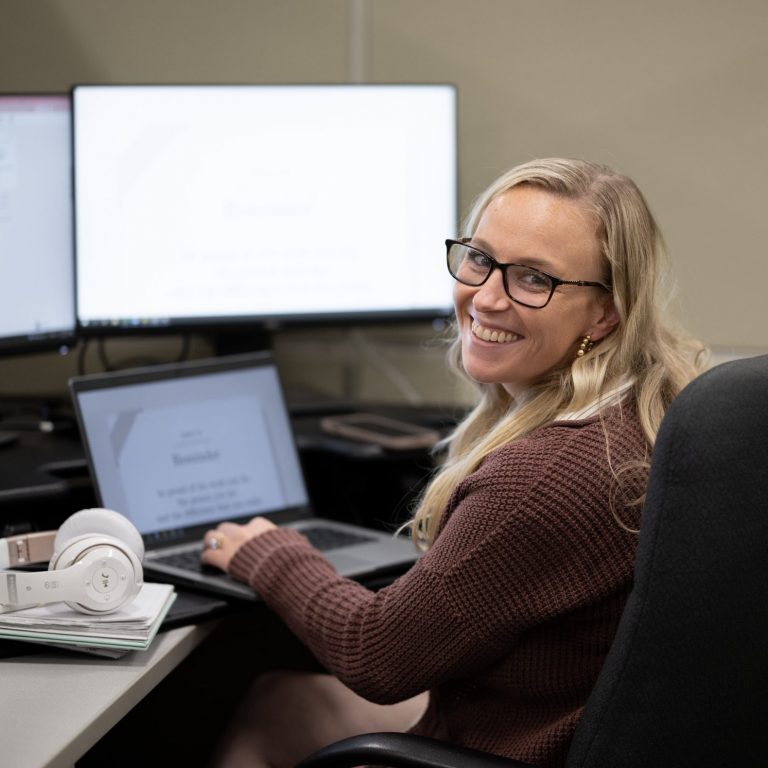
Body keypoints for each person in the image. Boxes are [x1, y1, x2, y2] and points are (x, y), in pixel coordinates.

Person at [200, 157, 708, 768]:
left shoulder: (543, 478)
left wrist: (270, 553)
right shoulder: (647, 412)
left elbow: (378, 656)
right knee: (278, 700)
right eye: (480, 258)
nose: (485, 297)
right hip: (536, 723)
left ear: (607, 312)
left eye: (533, 278)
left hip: (505, 750)